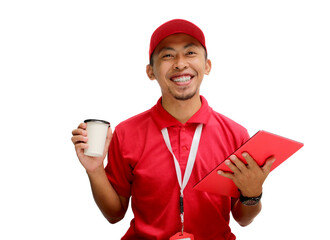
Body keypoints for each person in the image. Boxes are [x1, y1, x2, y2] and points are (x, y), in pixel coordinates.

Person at [71, 19, 275, 240]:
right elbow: (114, 214)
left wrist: (252, 193)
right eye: (167, 55)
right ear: (151, 72)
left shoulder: (235, 134)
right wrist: (95, 170)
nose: (180, 63)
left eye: (190, 53)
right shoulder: (127, 132)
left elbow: (243, 219)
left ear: (207, 66)